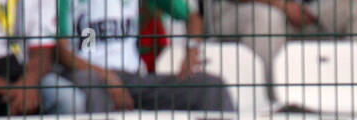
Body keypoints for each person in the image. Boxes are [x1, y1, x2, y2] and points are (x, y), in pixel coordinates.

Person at [55, 0, 233, 113]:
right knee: (95, 93)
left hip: (133, 79)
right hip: (85, 76)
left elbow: (192, 15)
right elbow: (61, 53)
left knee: (210, 86)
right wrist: (107, 76)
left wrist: (191, 52)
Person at [202, 0, 357, 67]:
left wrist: (314, 9)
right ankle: (269, 102)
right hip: (238, 10)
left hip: (301, 10)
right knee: (267, 17)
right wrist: (282, 5)